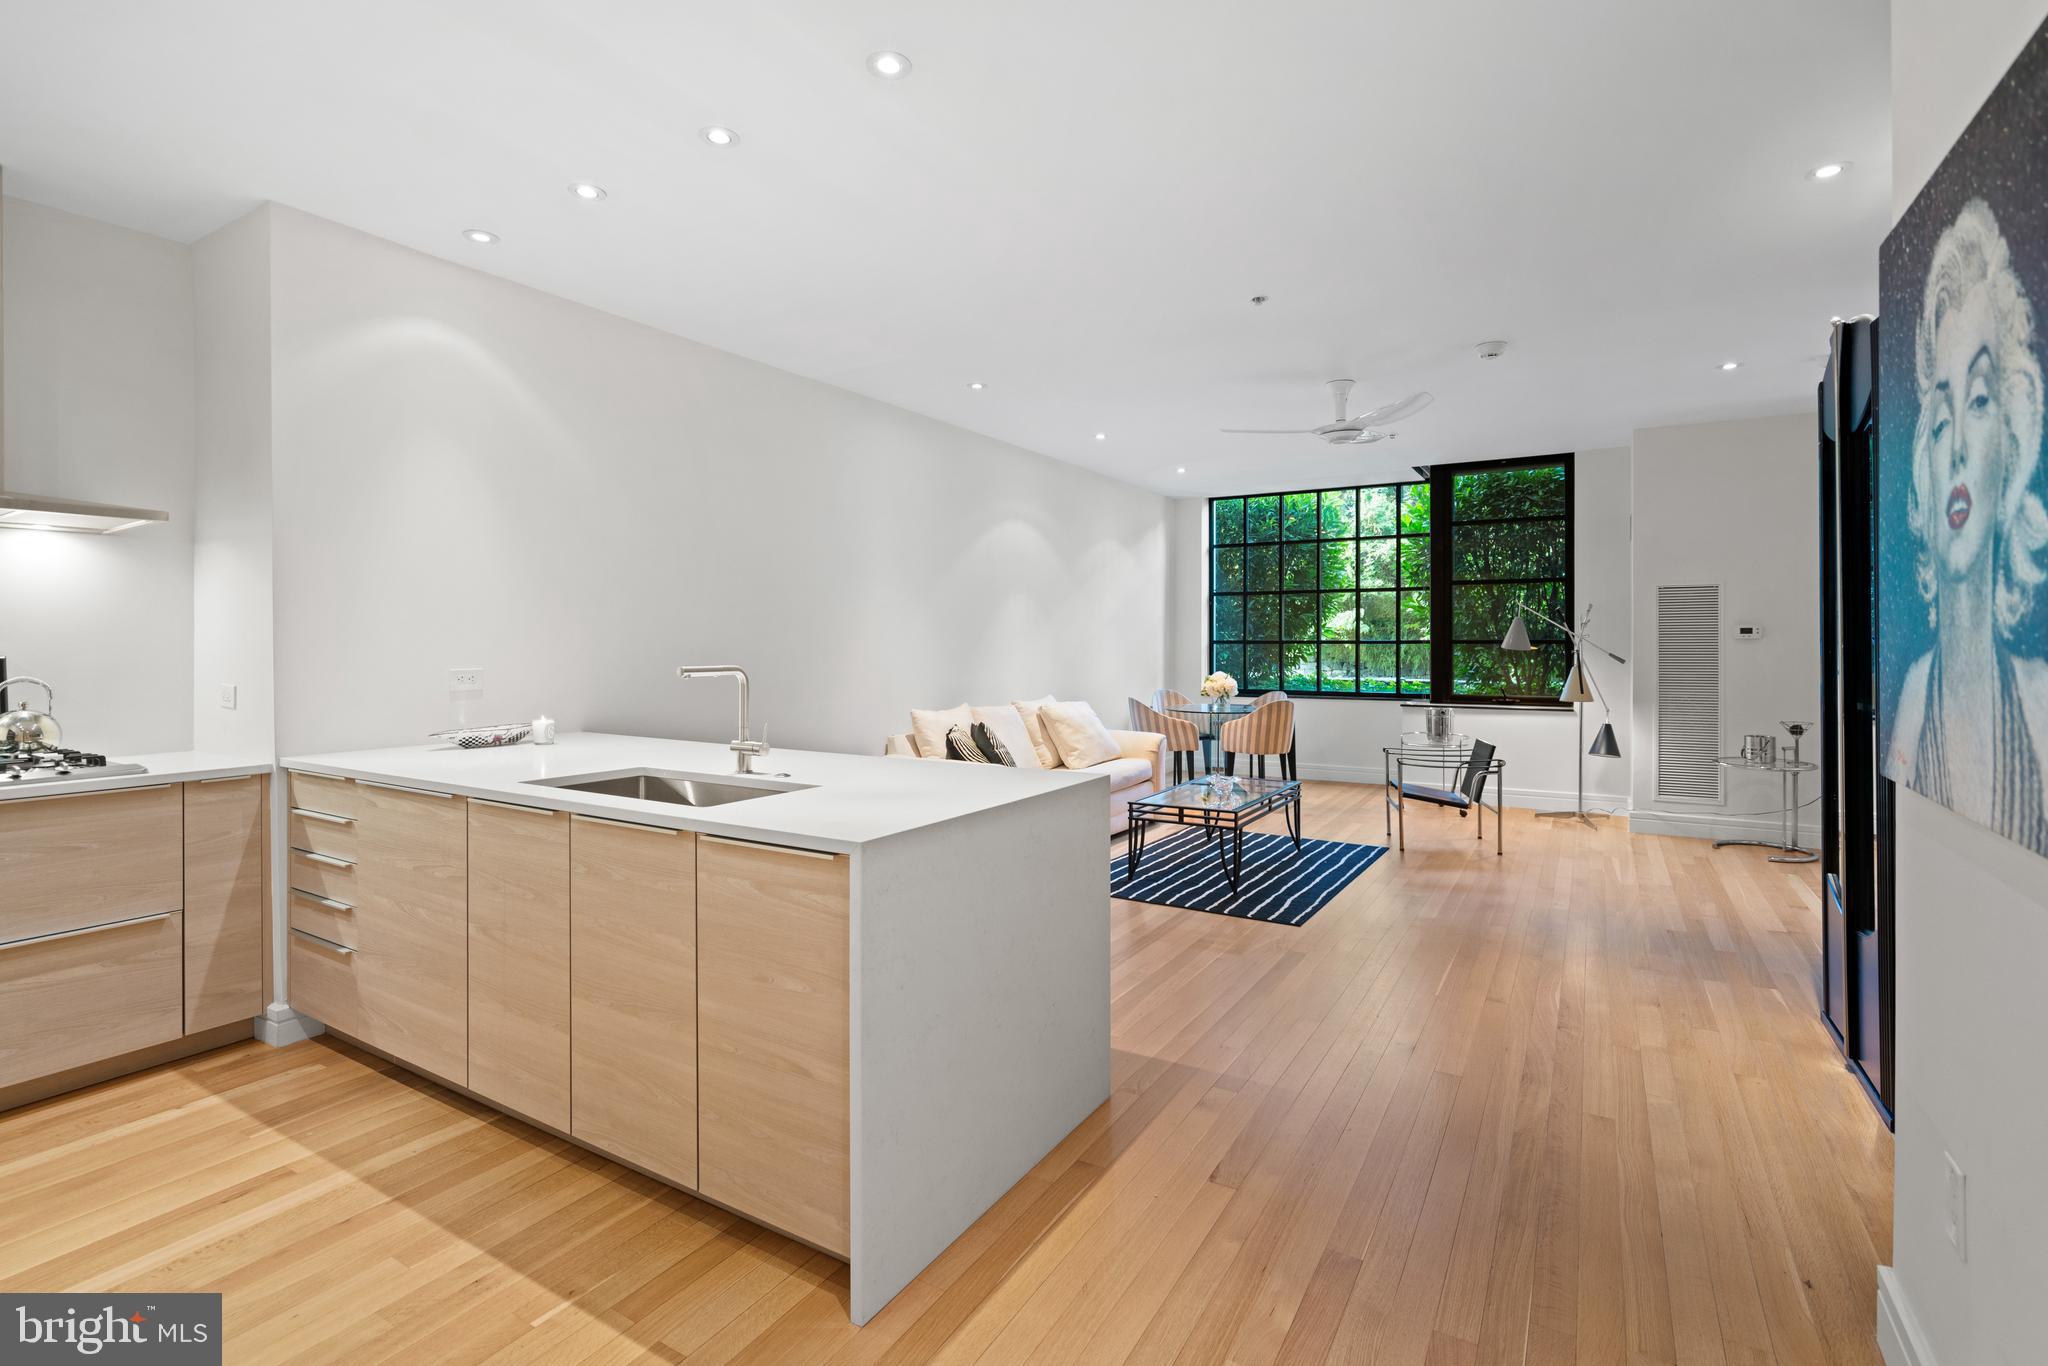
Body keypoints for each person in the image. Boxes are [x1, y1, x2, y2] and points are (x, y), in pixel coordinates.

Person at [1888, 198, 2048, 849]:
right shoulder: (1910, 696)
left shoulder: (2040, 708)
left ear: (2011, 451)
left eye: (1978, 401)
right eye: (1941, 415)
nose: (1956, 449)